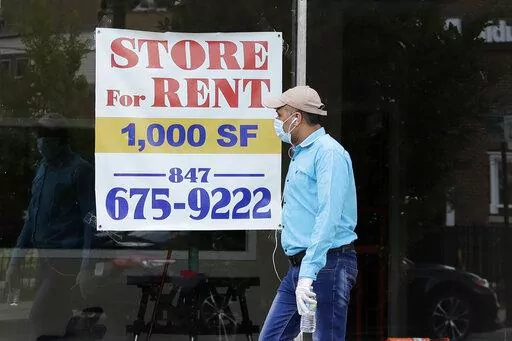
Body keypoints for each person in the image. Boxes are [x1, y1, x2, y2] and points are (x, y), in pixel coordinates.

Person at [259, 86, 358, 340]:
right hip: (302, 267)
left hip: (327, 264)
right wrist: (303, 273)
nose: (278, 122)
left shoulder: (329, 153)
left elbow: (329, 217)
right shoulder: (302, 152)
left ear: (297, 117)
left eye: (280, 115)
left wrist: (308, 273)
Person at [5, 113, 95, 340]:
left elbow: (90, 219)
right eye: (38, 137)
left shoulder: (79, 170)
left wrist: (86, 266)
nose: (40, 142)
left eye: (46, 137)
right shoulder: (43, 169)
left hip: (65, 261)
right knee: (56, 319)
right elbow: (31, 217)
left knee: (39, 315)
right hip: (44, 259)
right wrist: (16, 258)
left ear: (60, 140)